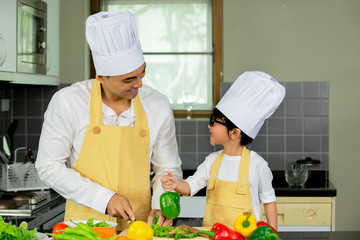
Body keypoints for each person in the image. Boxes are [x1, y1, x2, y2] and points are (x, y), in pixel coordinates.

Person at [35, 10, 182, 230]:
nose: (139, 85)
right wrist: (105, 198)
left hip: (139, 227)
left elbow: (167, 168)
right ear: (101, 76)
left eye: (142, 73)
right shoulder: (68, 102)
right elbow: (48, 166)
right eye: (129, 79)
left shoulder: (157, 104)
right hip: (85, 228)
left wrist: (163, 202)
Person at [161, 71, 285, 230]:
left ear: (235, 133)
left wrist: (272, 234)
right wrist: (176, 184)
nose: (209, 126)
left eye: (214, 122)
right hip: (213, 235)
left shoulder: (258, 165)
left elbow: (268, 201)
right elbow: (190, 186)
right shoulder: (212, 161)